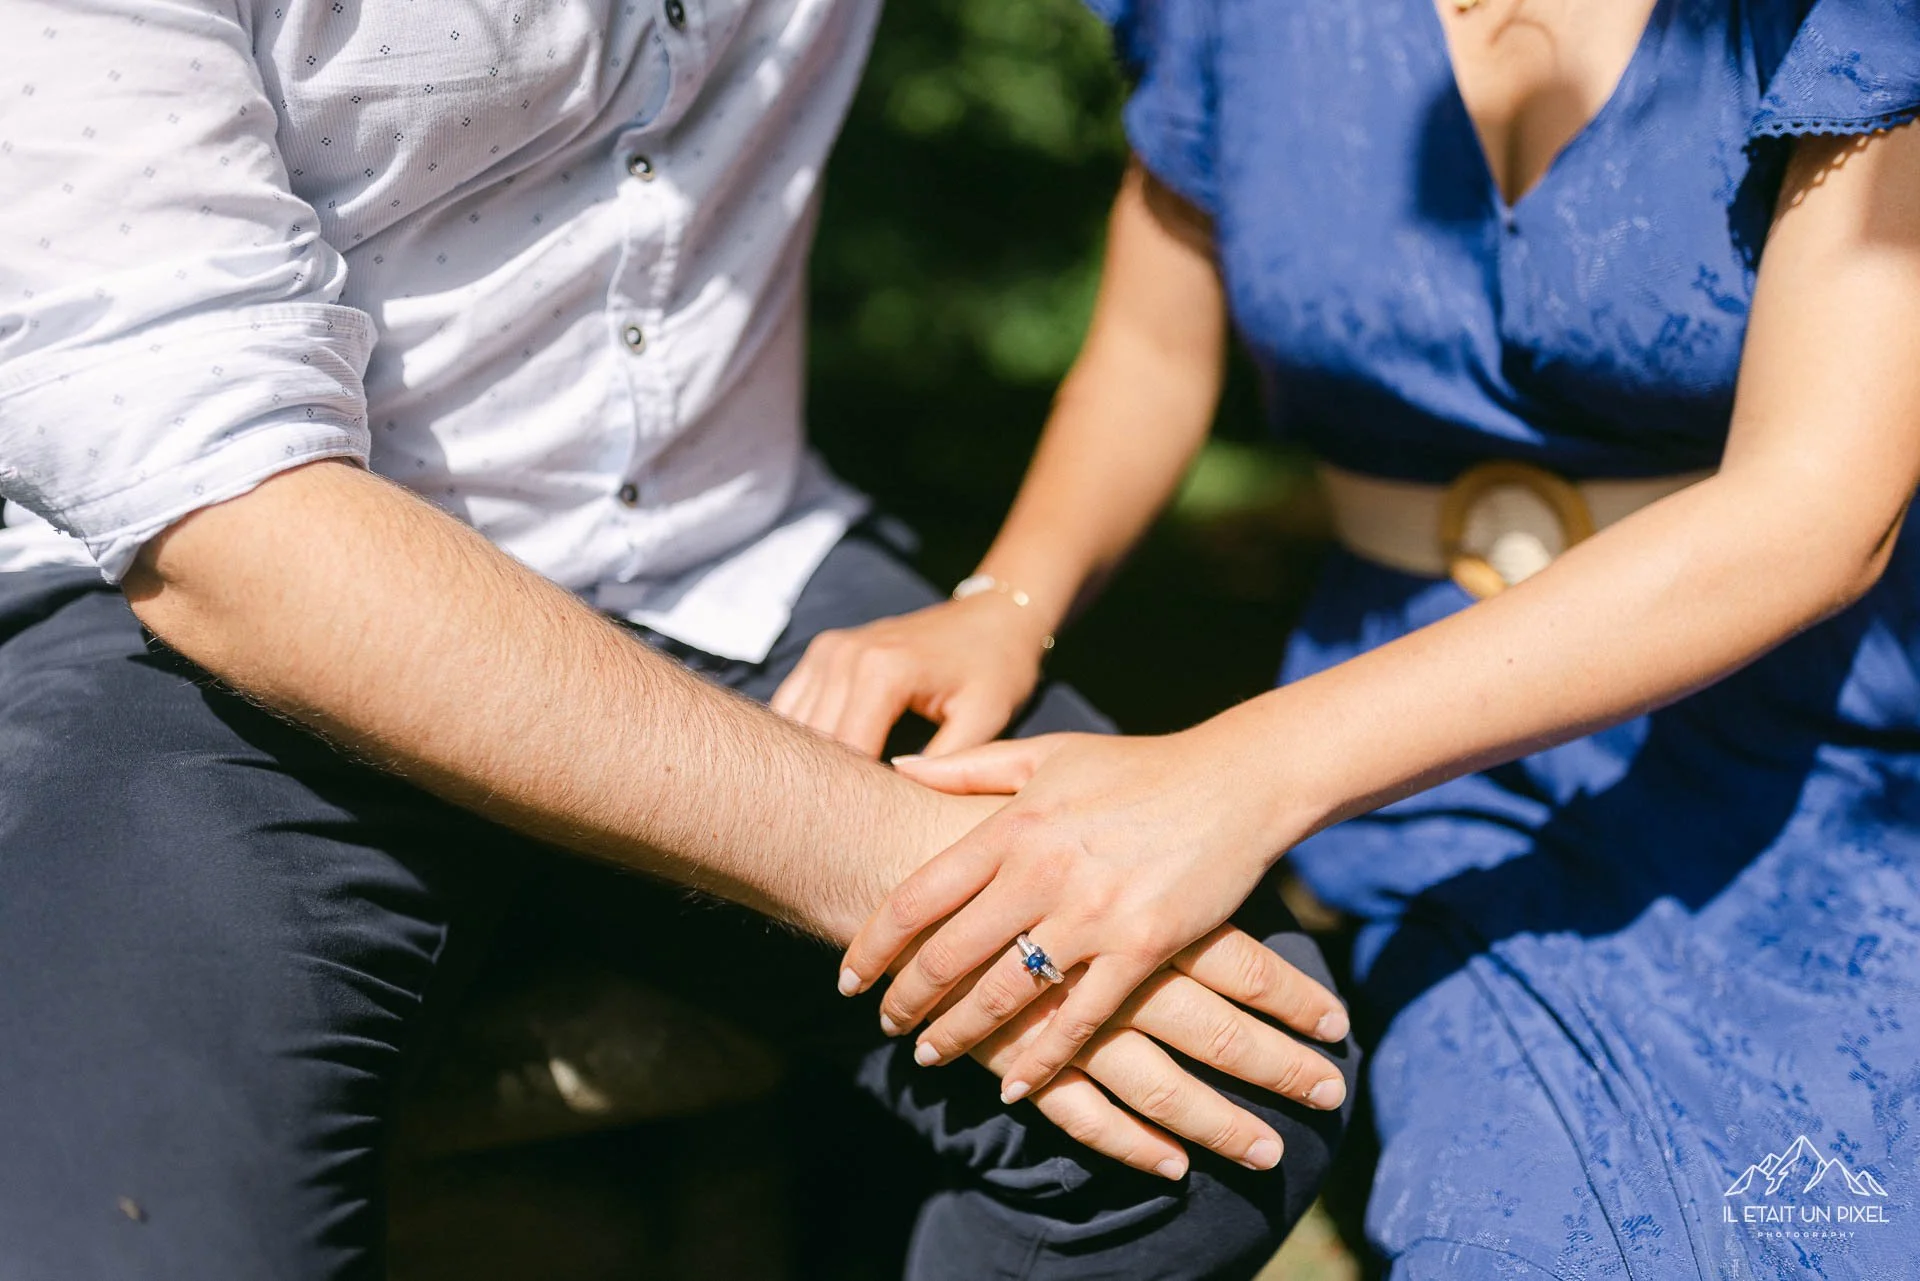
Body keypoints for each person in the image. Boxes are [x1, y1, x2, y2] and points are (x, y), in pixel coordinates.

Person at [0, 2, 1359, 1277]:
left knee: (1226, 1081)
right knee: (129, 1240)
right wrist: (904, 859)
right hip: (191, 629)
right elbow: (224, 520)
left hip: (728, 566)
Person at [785, 0, 1920, 1276]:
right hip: (1429, 764)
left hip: (1830, 744)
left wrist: (1239, 775)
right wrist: (1006, 600)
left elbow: (1815, 506)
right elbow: (1155, 351)